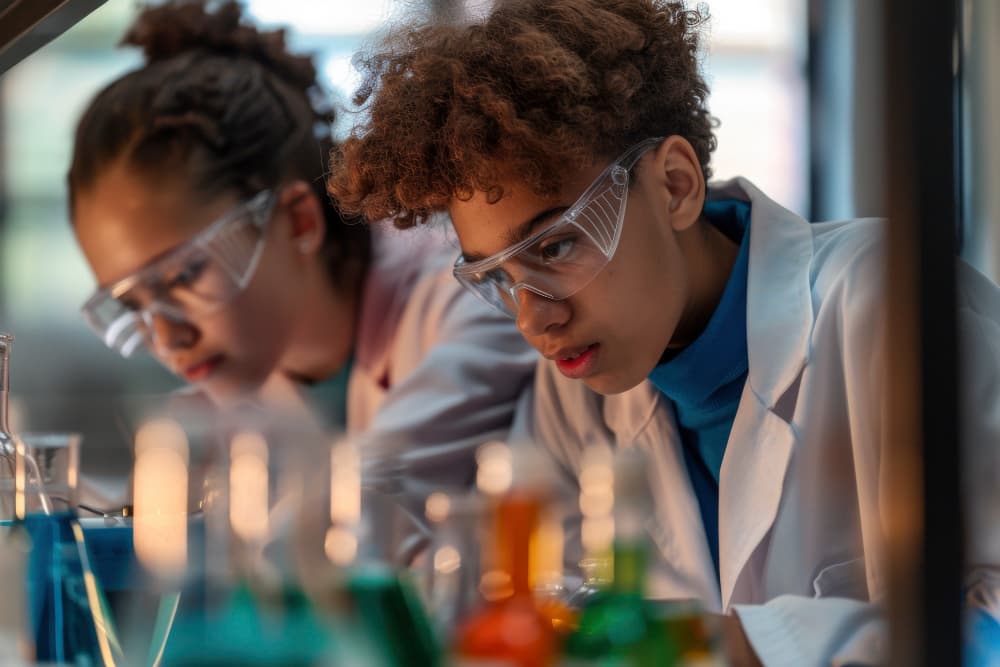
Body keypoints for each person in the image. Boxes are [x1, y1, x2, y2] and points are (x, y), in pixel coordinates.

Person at [327, 0, 1000, 664]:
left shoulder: (887, 306)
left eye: (557, 248)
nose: (534, 319)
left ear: (675, 186)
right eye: (498, 279)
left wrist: (742, 645)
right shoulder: (576, 395)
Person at [67, 0, 537, 548]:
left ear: (297, 221)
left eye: (185, 276)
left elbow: (358, 522)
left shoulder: (469, 304)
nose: (168, 337)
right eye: (132, 307)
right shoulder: (244, 395)